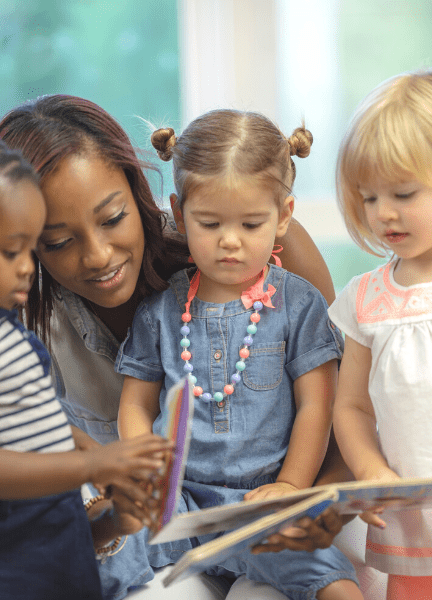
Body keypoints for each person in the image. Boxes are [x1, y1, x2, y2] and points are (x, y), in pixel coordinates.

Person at [0, 95, 381, 600]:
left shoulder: (280, 268)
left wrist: (295, 496)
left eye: (112, 219)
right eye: (59, 242)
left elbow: (335, 408)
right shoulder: (43, 326)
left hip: (287, 500)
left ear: (141, 197)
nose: (98, 256)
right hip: (176, 512)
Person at [0, 135, 172, 600]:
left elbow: (48, 426)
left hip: (39, 560)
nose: (29, 268)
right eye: (12, 252)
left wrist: (109, 492)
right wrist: (95, 460)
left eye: (33, 250)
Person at [113, 109, 362, 600]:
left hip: (262, 502)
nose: (230, 240)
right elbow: (135, 405)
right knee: (100, 560)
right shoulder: (160, 312)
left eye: (251, 223)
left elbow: (318, 404)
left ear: (284, 216)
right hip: (181, 503)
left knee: (330, 579)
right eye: (209, 223)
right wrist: (148, 477)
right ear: (179, 213)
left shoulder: (298, 304)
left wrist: (292, 486)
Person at [329, 68, 432, 599]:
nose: (383, 214)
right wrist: (370, 469)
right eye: (369, 197)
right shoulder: (365, 299)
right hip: (414, 534)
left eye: (402, 192)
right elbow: (351, 408)